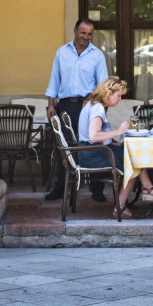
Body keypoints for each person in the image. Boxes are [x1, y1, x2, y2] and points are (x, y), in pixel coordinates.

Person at [44, 18, 109, 201]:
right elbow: (54, 80)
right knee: (63, 147)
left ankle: (97, 189)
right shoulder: (61, 52)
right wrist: (50, 104)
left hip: (88, 106)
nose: (86, 37)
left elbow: (102, 85)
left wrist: (100, 109)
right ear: (75, 31)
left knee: (93, 144)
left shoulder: (97, 55)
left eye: (89, 34)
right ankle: (61, 187)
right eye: (83, 33)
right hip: (65, 105)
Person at [78, 76, 153, 215]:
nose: (119, 100)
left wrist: (112, 142)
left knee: (134, 154)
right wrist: (119, 131)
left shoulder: (93, 104)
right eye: (118, 96)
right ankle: (124, 204)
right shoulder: (97, 108)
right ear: (108, 93)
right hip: (92, 154)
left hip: (92, 151)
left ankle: (147, 188)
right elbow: (94, 136)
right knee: (134, 160)